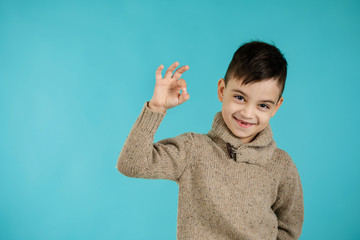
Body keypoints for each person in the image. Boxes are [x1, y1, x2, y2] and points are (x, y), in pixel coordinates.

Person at [117, 41, 304, 240]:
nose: (248, 113)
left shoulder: (281, 166)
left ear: (276, 107)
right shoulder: (193, 150)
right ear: (222, 90)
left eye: (263, 105)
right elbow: (131, 164)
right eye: (240, 98)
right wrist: (156, 107)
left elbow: (289, 229)